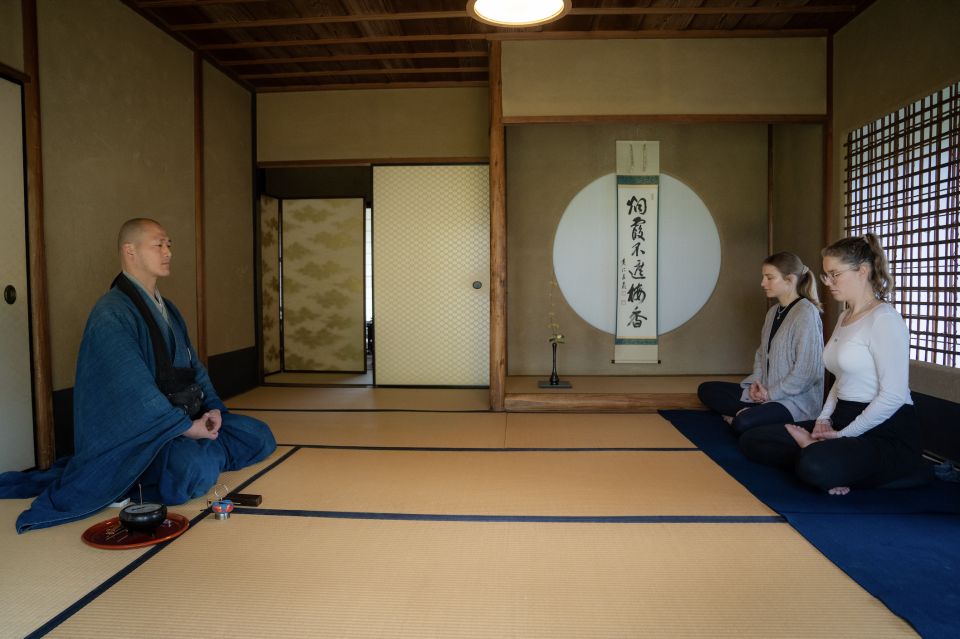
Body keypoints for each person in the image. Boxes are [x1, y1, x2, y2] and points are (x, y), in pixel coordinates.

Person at [0, 218, 276, 532]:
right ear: (130, 251)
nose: (168, 251)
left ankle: (194, 450)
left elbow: (193, 366)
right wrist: (186, 428)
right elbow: (133, 390)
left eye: (169, 244)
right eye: (158, 244)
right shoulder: (111, 312)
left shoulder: (168, 309)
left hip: (183, 417)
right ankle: (132, 480)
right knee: (192, 470)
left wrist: (212, 412)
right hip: (144, 436)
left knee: (259, 436)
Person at [739, 234, 924, 495]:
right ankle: (823, 455)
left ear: (862, 271)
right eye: (826, 275)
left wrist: (842, 435)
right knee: (753, 439)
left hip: (884, 429)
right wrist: (823, 420)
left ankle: (822, 457)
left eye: (834, 274)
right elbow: (840, 380)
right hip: (841, 417)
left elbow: (893, 395)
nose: (828, 283)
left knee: (816, 465)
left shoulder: (884, 319)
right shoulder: (845, 316)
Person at [698, 252, 824, 435]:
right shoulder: (773, 312)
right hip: (763, 392)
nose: (763, 283)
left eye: (770, 278)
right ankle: (750, 414)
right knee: (707, 390)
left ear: (789, 280)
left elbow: (807, 373)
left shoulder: (806, 313)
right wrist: (757, 386)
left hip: (793, 400)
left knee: (744, 423)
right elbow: (761, 354)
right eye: (763, 277)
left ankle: (743, 417)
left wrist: (771, 394)